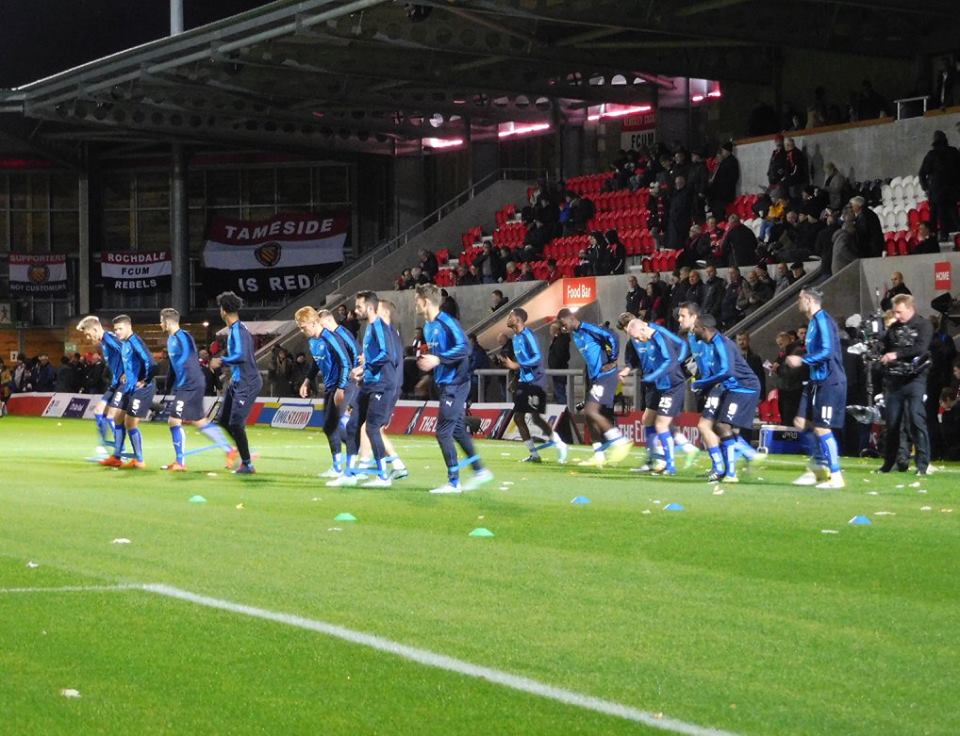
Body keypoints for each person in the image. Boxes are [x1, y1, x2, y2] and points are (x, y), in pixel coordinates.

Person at [415, 283, 494, 494]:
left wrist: (438, 359)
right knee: (457, 429)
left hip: (456, 384)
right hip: (444, 384)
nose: (415, 304)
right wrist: (429, 375)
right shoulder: (428, 326)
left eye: (417, 300)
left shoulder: (447, 322)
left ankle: (453, 482)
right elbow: (438, 358)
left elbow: (465, 348)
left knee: (443, 432)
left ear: (426, 301)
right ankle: (480, 470)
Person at [327, 291, 397, 488]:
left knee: (372, 428)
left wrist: (364, 367)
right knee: (352, 426)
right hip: (368, 384)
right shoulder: (370, 327)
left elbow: (387, 354)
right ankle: (350, 473)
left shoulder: (379, 327)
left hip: (381, 385)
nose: (356, 310)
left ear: (369, 307)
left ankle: (383, 477)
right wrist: (363, 371)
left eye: (359, 307)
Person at [784, 288, 847, 488]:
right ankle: (818, 469)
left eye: (800, 298)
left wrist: (802, 360)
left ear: (809, 300)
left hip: (829, 381)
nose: (798, 302)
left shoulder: (823, 320)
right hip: (815, 381)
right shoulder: (812, 322)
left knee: (822, 427)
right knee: (801, 422)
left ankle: (836, 476)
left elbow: (827, 352)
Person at [554, 308, 632, 466]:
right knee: (589, 415)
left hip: (606, 376)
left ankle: (620, 440)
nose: (563, 328)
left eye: (563, 324)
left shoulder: (589, 329)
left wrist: (612, 359)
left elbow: (612, 336)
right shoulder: (575, 334)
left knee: (592, 411)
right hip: (595, 378)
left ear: (570, 318)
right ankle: (599, 454)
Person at [160, 308, 234, 471]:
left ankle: (180, 462)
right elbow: (173, 366)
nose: (160, 324)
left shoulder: (183, 336)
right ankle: (229, 450)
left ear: (168, 322)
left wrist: (186, 376)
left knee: (174, 420)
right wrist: (167, 386)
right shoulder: (171, 339)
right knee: (199, 422)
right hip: (187, 384)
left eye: (161, 321)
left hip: (190, 384)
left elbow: (188, 356)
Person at [692, 315, 763, 483]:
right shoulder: (713, 343)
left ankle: (731, 472)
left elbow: (727, 371)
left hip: (744, 388)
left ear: (704, 329)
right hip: (732, 389)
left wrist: (702, 383)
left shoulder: (721, 343)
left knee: (723, 426)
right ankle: (738, 462)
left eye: (695, 327)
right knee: (719, 427)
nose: (693, 330)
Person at [500, 308, 568, 463]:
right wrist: (515, 379)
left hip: (536, 381)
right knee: (518, 418)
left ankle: (559, 444)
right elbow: (521, 363)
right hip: (524, 381)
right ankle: (534, 454)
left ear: (518, 319)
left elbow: (537, 358)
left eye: (510, 316)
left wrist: (517, 365)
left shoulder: (528, 335)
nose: (508, 319)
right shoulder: (515, 338)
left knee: (535, 418)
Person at [878, 294, 934, 475]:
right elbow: (883, 347)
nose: (896, 315)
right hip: (895, 380)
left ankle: (922, 464)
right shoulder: (894, 328)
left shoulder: (924, 325)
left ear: (910, 308)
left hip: (915, 379)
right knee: (893, 423)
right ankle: (890, 463)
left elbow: (921, 348)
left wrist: (896, 354)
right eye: (895, 312)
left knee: (916, 419)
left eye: (899, 312)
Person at [208, 292, 264, 474]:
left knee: (235, 423)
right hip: (239, 381)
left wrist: (221, 360)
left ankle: (247, 463)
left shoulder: (238, 330)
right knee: (223, 421)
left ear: (223, 311)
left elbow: (241, 356)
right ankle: (244, 452)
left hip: (248, 382)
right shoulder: (236, 329)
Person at [296, 306, 355, 479]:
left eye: (303, 327)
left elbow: (346, 362)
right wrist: (307, 380)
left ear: (314, 323)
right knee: (330, 426)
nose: (302, 331)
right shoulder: (313, 341)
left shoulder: (331, 338)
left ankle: (354, 459)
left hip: (342, 385)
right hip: (330, 387)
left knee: (331, 425)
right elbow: (316, 363)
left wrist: (341, 388)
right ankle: (345, 461)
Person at [624, 318, 687, 476]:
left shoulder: (660, 336)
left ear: (643, 329)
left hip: (672, 386)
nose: (638, 340)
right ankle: (653, 461)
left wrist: (655, 375)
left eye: (637, 337)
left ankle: (670, 465)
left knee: (661, 424)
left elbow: (669, 359)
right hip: (659, 386)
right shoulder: (649, 339)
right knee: (647, 420)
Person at [101, 315, 156, 470]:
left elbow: (151, 363)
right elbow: (132, 363)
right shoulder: (125, 343)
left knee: (130, 423)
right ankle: (117, 457)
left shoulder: (135, 341)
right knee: (118, 418)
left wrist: (145, 380)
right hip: (129, 387)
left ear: (129, 327)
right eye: (115, 330)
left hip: (143, 389)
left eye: (120, 329)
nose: (117, 332)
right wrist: (126, 374)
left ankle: (139, 460)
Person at [77, 315, 128, 456]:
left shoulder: (109, 338)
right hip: (115, 383)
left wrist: (128, 372)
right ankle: (103, 448)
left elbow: (127, 351)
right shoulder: (104, 342)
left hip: (124, 383)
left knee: (111, 416)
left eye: (88, 334)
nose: (88, 338)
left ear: (95, 329)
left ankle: (121, 451)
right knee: (99, 411)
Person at [918, 130, 960, 242]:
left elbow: (922, 173)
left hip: (936, 192)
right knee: (954, 215)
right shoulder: (953, 152)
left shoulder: (931, 155)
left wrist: (926, 188)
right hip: (952, 192)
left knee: (937, 217)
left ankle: (938, 237)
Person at [707, 141, 739, 219]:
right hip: (718, 195)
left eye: (723, 151)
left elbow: (732, 178)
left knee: (720, 215)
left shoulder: (732, 162)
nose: (722, 153)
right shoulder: (724, 161)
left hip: (723, 195)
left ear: (727, 151)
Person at [548, 321, 571, 404]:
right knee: (558, 392)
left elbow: (559, 355)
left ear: (556, 330)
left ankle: (563, 409)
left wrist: (554, 365)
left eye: (552, 330)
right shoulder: (558, 340)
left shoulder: (560, 341)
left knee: (560, 392)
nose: (550, 332)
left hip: (559, 370)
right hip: (557, 370)